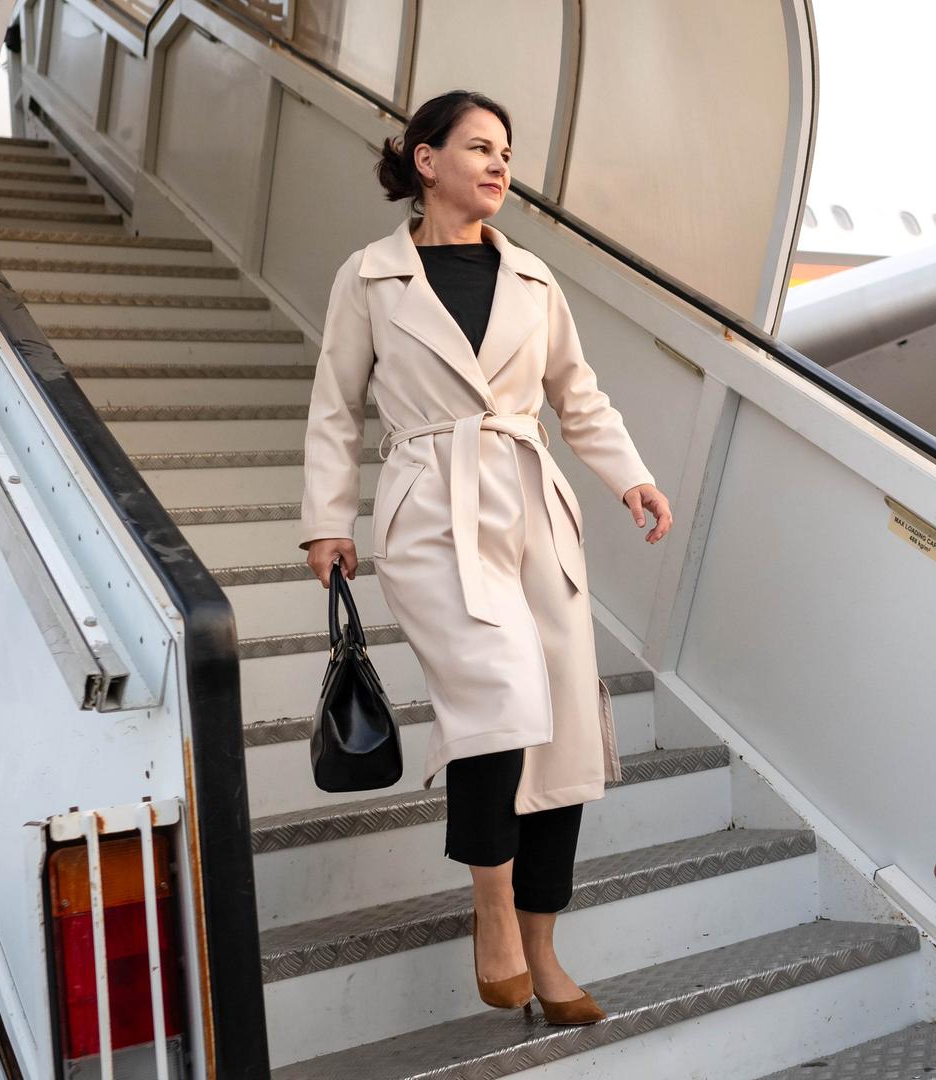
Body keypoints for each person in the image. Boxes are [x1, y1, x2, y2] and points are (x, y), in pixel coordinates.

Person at [298, 90, 674, 1026]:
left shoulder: (536, 280)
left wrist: (629, 477)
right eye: (479, 148)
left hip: (531, 503)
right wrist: (325, 520)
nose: (500, 165)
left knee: (563, 738)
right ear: (425, 161)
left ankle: (545, 953)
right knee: (498, 698)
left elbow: (576, 395)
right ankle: (492, 910)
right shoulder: (370, 276)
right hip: (431, 503)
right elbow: (337, 405)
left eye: (506, 151)